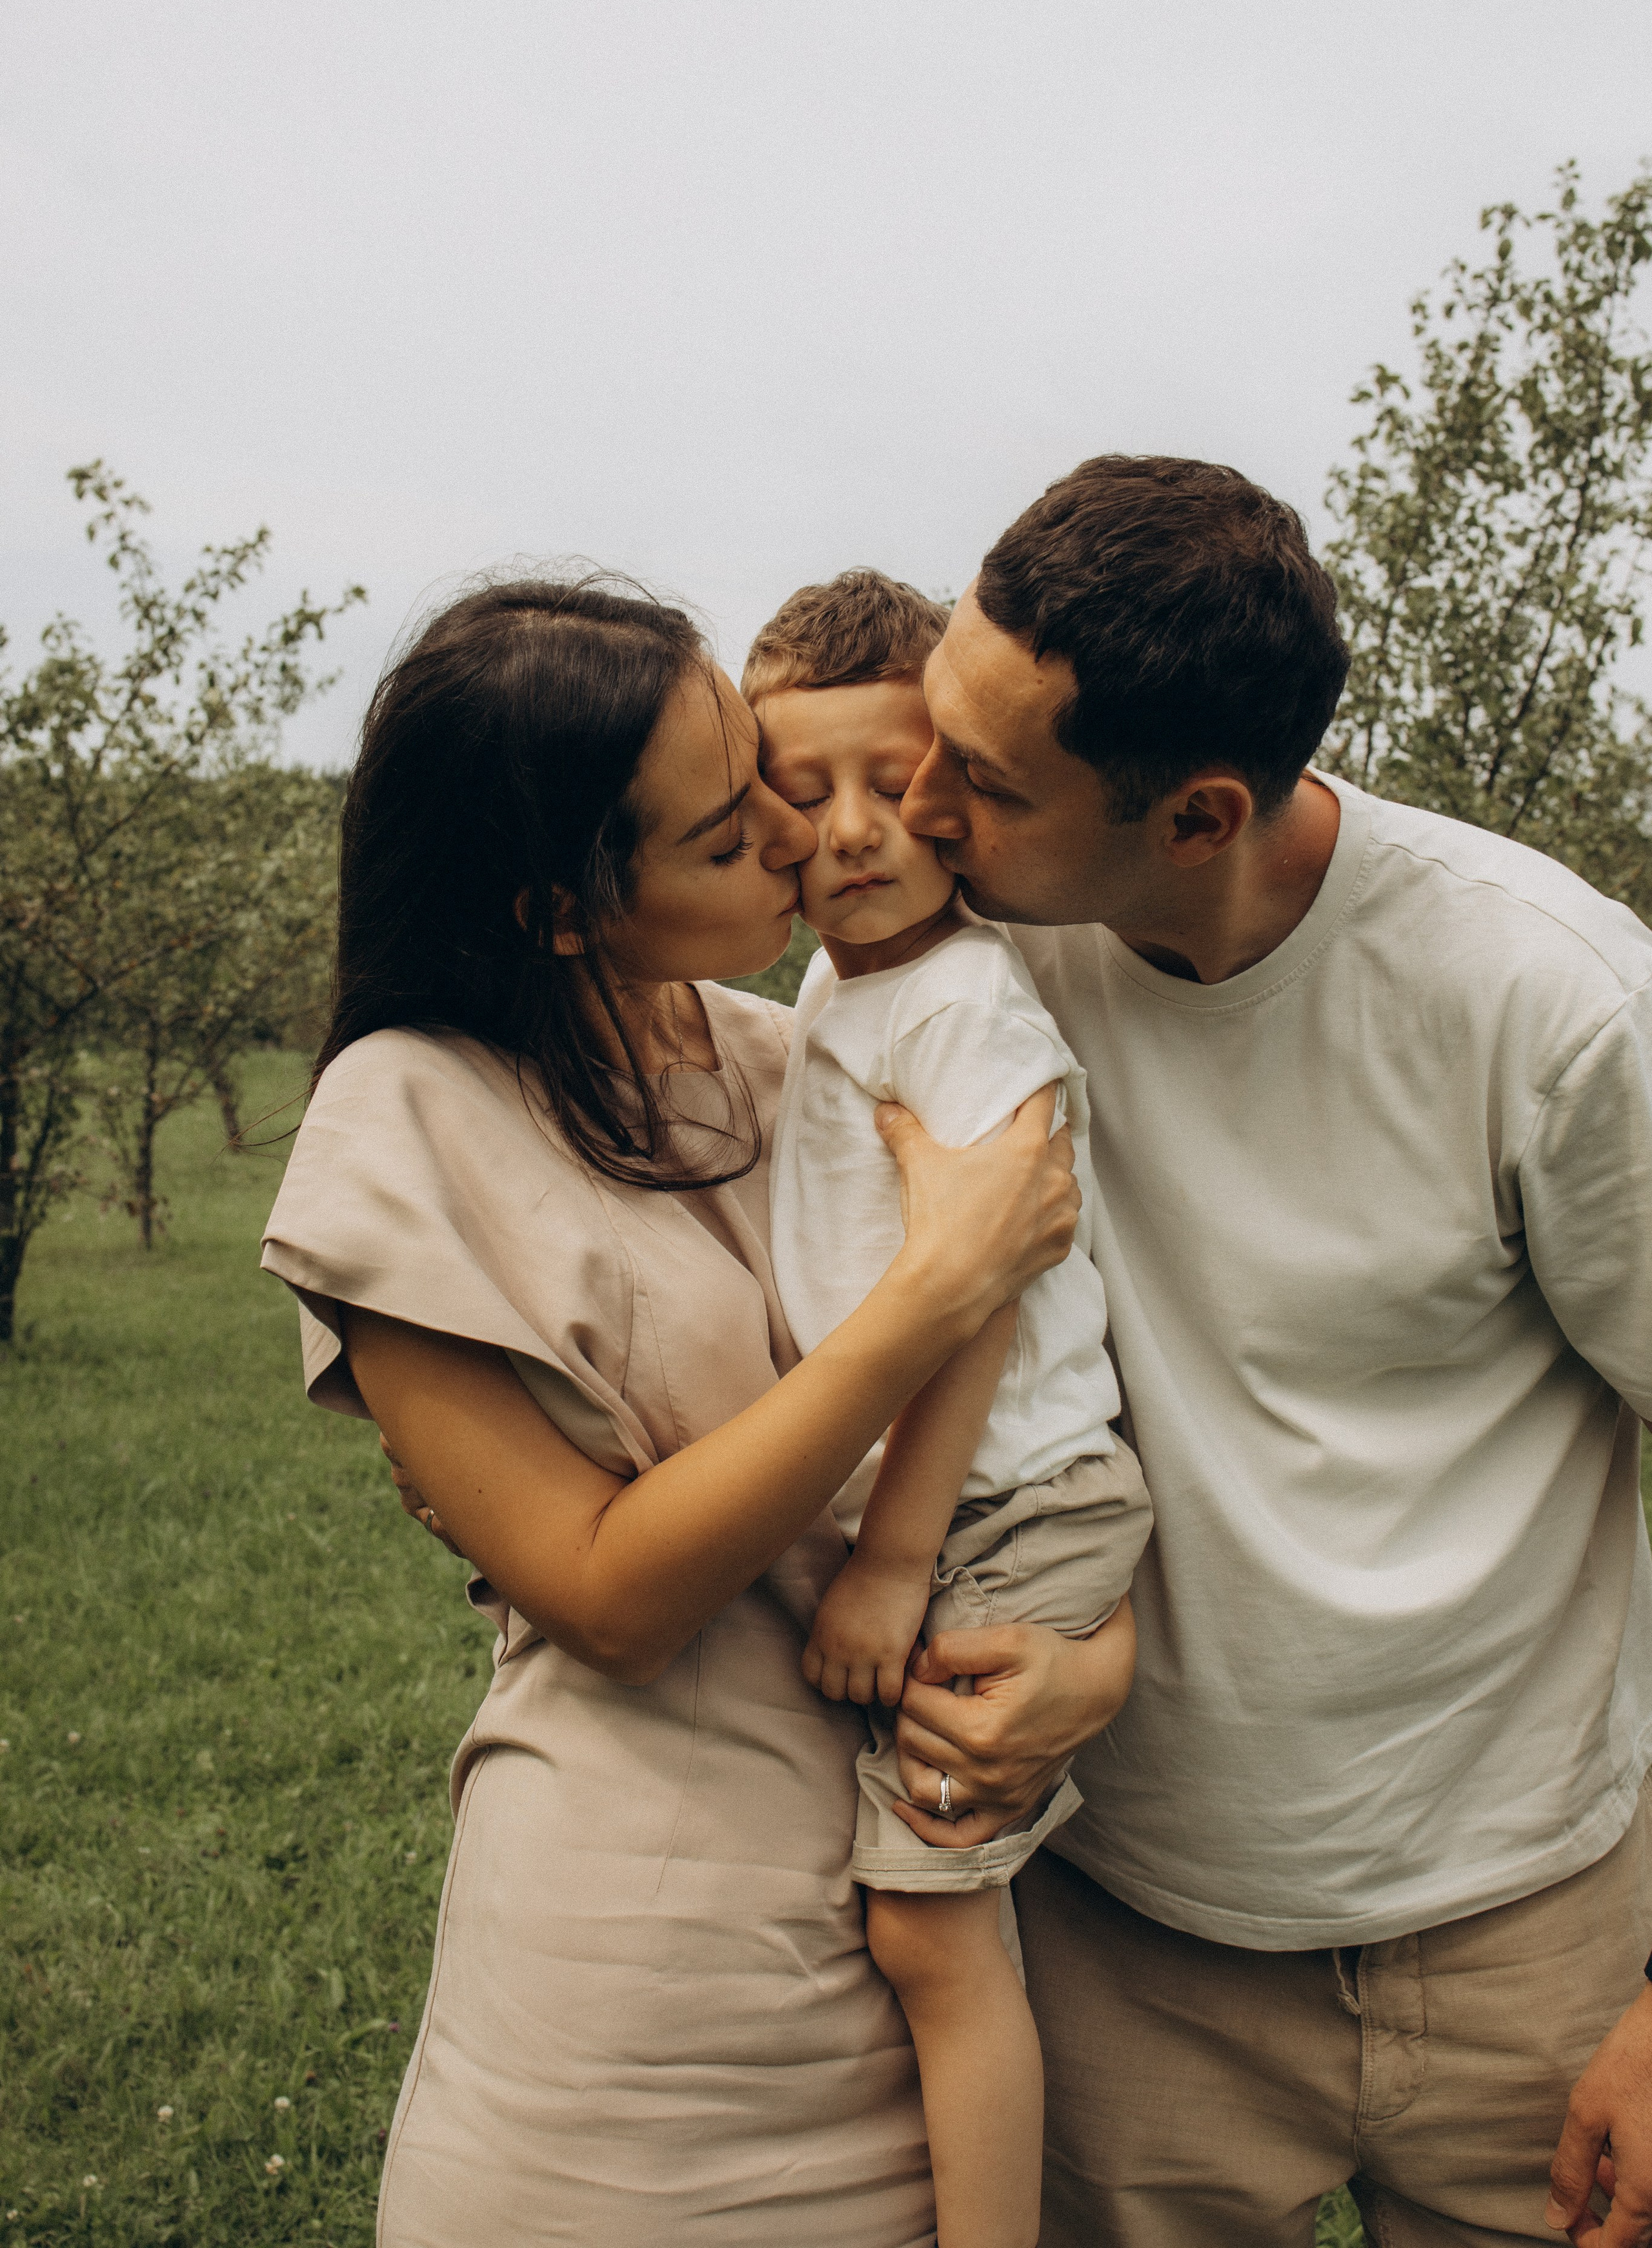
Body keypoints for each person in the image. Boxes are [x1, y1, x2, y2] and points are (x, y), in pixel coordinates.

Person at [257, 571, 1120, 2247]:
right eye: (736, 835)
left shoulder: (804, 1052)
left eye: (771, 786)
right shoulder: (406, 1123)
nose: (802, 849)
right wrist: (931, 1292)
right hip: (633, 2005)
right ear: (562, 909)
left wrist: (1096, 1661)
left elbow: (1052, 1402)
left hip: (907, 1924)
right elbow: (613, 1595)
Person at [887, 454, 1652, 2248]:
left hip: (1526, 1940)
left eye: (983, 782)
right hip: (1123, 1943)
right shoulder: (969, 974)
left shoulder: (1552, 1004)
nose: (919, 809)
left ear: (1202, 817)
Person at [743, 572, 1154, 2248]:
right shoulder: (842, 991)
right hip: (942, 1495)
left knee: (930, 1928)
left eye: (894, 780)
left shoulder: (969, 1003)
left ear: (958, 788)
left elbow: (976, 1291)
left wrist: (892, 1561)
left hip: (1004, 1507)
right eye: (799, 787)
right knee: (915, 1918)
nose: (852, 831)